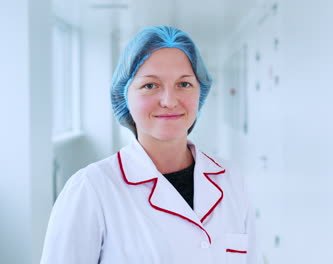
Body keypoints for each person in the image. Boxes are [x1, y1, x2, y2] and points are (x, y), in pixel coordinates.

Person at [41, 25, 260, 264]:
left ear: (201, 92)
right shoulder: (91, 189)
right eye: (150, 85)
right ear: (125, 95)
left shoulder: (231, 180)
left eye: (184, 84)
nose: (169, 101)